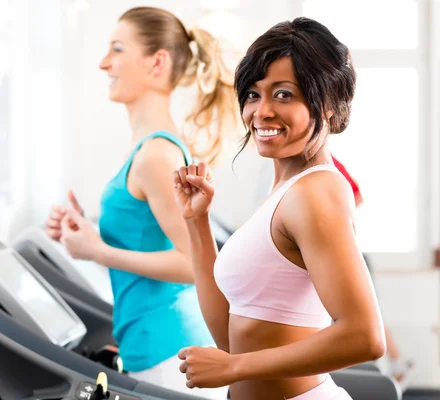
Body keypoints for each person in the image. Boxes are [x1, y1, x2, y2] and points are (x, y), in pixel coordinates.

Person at [173, 18, 386, 399]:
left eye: (284, 94)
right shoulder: (285, 191)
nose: (262, 111)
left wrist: (235, 367)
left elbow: (365, 337)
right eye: (253, 94)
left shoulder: (315, 191)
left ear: (328, 103)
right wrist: (197, 221)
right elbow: (228, 335)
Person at [44, 6, 239, 398]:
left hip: (170, 351)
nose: (103, 63)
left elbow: (193, 265)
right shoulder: (151, 150)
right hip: (157, 346)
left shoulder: (156, 156)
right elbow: (150, 238)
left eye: (116, 49)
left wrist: (97, 251)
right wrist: (87, 230)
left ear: (157, 63)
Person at [331, 155, 416, 387]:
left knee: (362, 312)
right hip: (345, 249)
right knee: (364, 310)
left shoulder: (325, 161)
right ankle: (398, 363)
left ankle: (398, 362)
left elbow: (357, 197)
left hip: (347, 250)